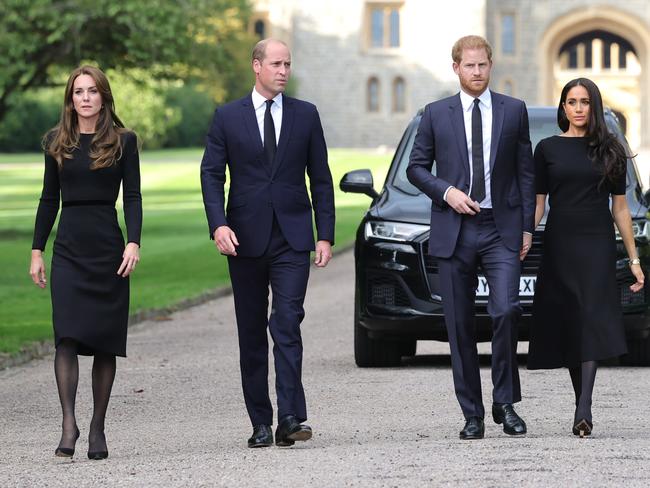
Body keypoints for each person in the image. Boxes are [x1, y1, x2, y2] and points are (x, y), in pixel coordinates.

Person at [200, 38, 335, 448]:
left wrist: (325, 233)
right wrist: (218, 225)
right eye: (276, 63)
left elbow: (322, 178)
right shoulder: (227, 117)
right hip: (243, 238)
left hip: (293, 239)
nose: (283, 71)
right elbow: (211, 175)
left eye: (287, 64)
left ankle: (291, 417)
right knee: (252, 332)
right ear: (256, 66)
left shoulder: (306, 115)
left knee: (288, 322)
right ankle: (261, 421)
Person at [406, 35, 535, 440]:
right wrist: (447, 191)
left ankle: (505, 402)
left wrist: (528, 226)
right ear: (456, 68)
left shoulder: (513, 111)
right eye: (469, 66)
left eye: (483, 65)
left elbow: (525, 171)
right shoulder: (435, 113)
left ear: (490, 66)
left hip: (501, 228)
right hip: (454, 228)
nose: (477, 72)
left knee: (505, 310)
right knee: (459, 325)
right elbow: (416, 167)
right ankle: (472, 413)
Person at [29, 66, 142, 459]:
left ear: (103, 96)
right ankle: (68, 425)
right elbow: (48, 200)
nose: (86, 98)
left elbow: (133, 198)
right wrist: (37, 250)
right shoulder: (56, 142)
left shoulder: (124, 142)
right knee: (67, 336)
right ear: (70, 99)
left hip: (109, 248)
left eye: (93, 91)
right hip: (69, 250)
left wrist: (133, 243)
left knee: (105, 341)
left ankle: (97, 429)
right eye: (79, 92)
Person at [527, 78, 644, 437]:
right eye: (571, 101)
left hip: (596, 242)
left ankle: (584, 405)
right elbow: (538, 203)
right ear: (563, 108)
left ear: (593, 106)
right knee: (571, 320)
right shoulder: (546, 149)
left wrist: (634, 261)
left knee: (591, 315)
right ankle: (582, 402)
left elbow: (621, 209)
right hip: (560, 241)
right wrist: (526, 235)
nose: (578, 108)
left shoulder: (610, 148)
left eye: (584, 102)